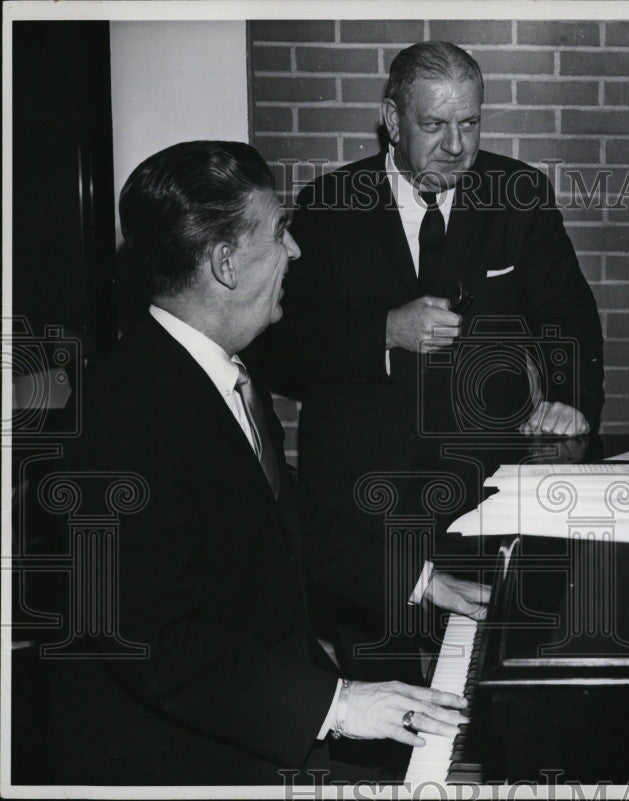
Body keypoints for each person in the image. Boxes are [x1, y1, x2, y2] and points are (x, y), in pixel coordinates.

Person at [46, 141, 469, 785]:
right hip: (171, 759)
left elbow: (280, 512)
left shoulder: (224, 368)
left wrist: (420, 579)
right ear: (225, 263)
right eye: (279, 231)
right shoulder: (122, 418)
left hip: (256, 716)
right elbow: (154, 640)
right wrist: (340, 705)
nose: (295, 251)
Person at [251, 41, 603, 675]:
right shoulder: (329, 205)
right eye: (434, 124)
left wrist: (568, 400)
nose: (456, 145)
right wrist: (383, 331)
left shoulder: (518, 194)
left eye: (469, 123)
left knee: (494, 691)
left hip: (488, 496)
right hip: (365, 511)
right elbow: (279, 347)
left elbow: (569, 318)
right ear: (392, 120)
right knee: (381, 713)